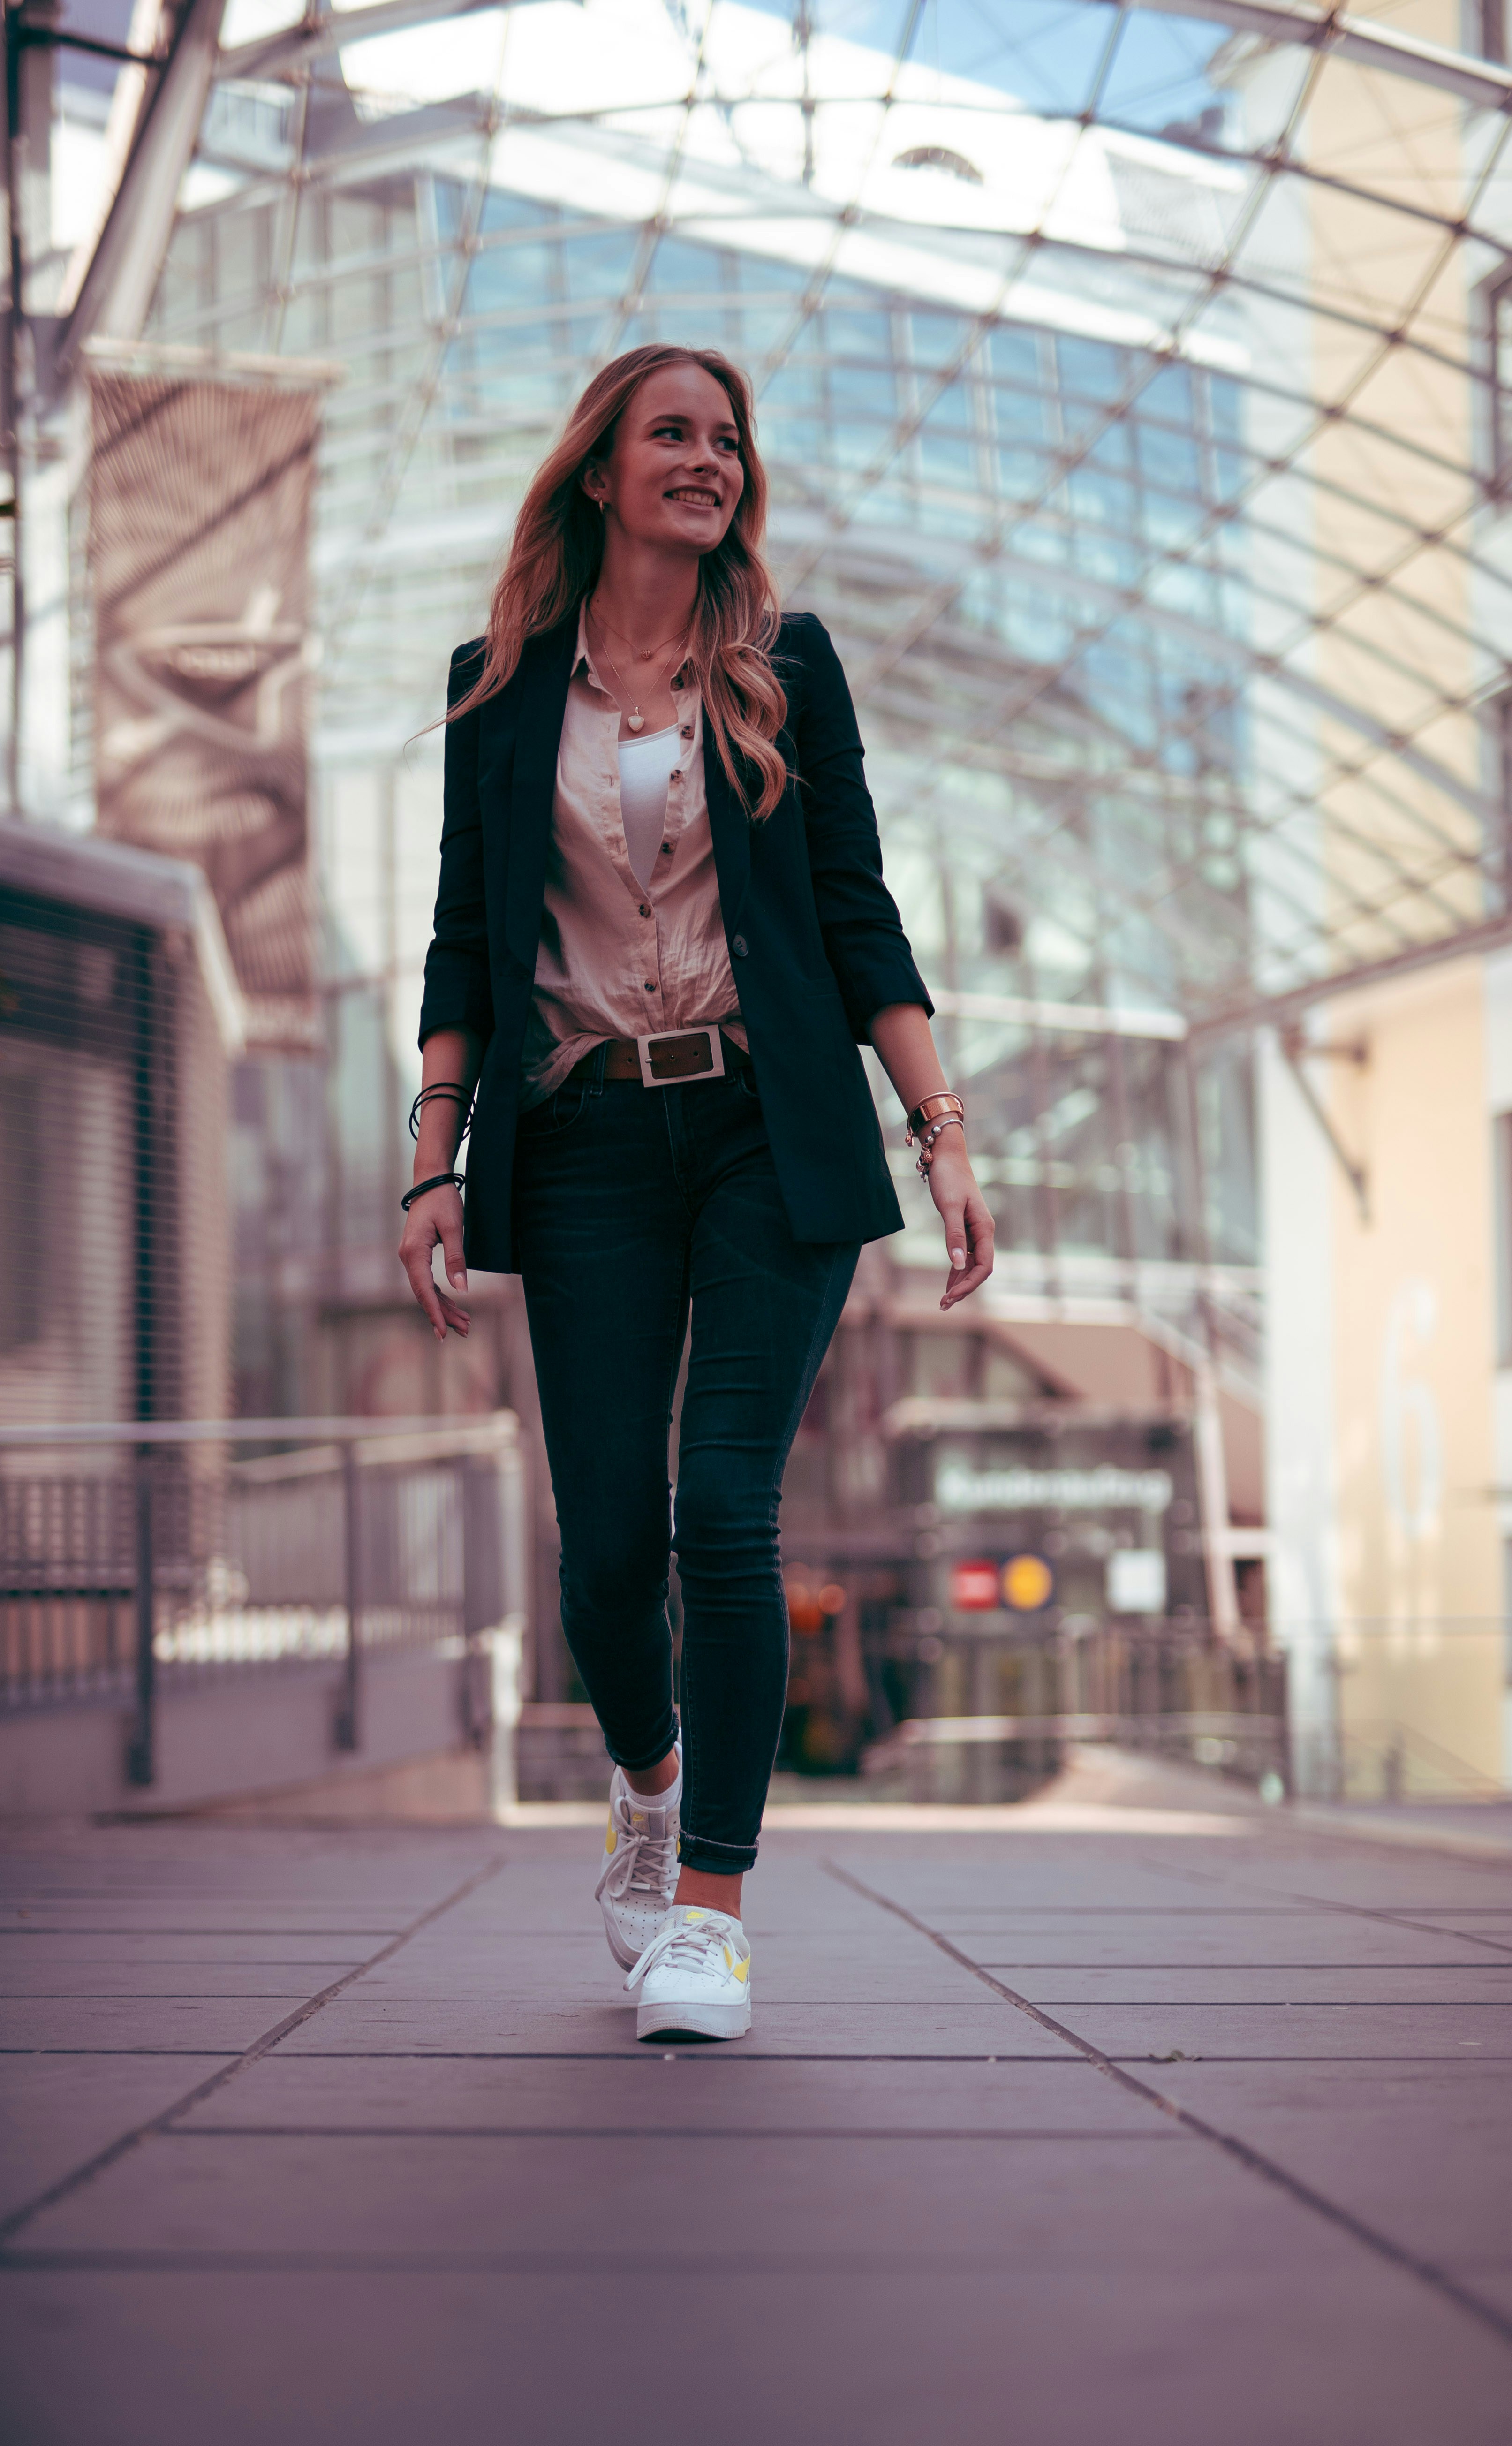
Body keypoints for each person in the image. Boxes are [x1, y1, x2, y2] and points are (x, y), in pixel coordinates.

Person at [401, 343, 994, 2042]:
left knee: (724, 1513)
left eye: (725, 439)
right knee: (603, 1557)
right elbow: (464, 935)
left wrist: (938, 1126)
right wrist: (431, 1155)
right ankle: (648, 1786)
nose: (708, 460)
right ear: (599, 470)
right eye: (673, 435)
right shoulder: (498, 687)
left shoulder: (783, 670)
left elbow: (856, 909)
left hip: (763, 1135)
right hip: (581, 1139)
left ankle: (711, 1916)